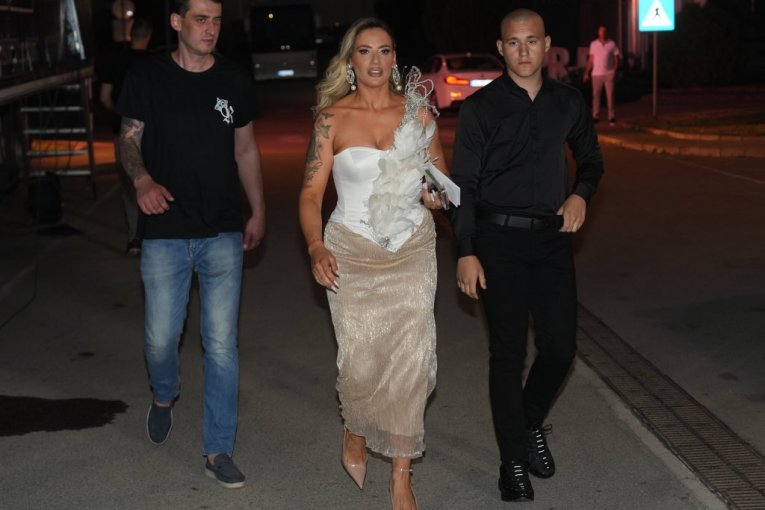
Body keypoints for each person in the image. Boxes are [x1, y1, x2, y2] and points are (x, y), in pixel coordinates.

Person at [450, 8, 604, 502]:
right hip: (498, 243)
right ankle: (512, 462)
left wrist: (580, 193)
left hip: (553, 242)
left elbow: (592, 159)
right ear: (500, 48)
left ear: (547, 44)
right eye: (513, 42)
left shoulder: (567, 102)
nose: (523, 51)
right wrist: (466, 251)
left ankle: (528, 422)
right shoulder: (479, 109)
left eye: (531, 41)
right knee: (508, 354)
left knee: (560, 348)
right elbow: (464, 188)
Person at [298, 17, 448, 510]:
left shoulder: (418, 113)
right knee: (359, 361)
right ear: (351, 61)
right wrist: (315, 247)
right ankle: (355, 427)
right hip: (351, 249)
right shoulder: (331, 118)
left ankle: (401, 474)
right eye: (365, 51)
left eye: (385, 51)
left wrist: (434, 197)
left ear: (395, 59)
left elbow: (440, 183)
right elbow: (310, 195)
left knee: (411, 359)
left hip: (411, 248)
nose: (376, 61)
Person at [116, 0, 265, 489]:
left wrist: (258, 209)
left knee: (221, 344)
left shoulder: (233, 79)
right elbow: (129, 140)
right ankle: (165, 393)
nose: (211, 28)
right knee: (161, 339)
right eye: (201, 19)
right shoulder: (146, 77)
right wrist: (142, 181)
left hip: (221, 228)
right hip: (164, 230)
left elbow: (246, 149)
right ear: (177, 22)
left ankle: (218, 449)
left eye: (217, 19)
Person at [100, 18, 153, 255]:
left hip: (121, 133)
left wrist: (121, 116)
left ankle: (135, 238)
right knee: (154, 180)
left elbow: (104, 97)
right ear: (149, 35)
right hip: (151, 134)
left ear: (131, 33)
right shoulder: (154, 64)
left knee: (129, 185)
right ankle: (155, 235)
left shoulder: (116, 60)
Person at [584, 25, 620, 125]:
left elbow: (617, 58)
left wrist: (614, 70)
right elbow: (591, 60)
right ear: (598, 33)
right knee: (596, 96)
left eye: (604, 31)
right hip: (596, 74)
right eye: (601, 31)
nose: (602, 33)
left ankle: (611, 117)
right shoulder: (593, 44)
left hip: (608, 74)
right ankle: (595, 116)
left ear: (606, 32)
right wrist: (586, 72)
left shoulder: (611, 43)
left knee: (610, 95)